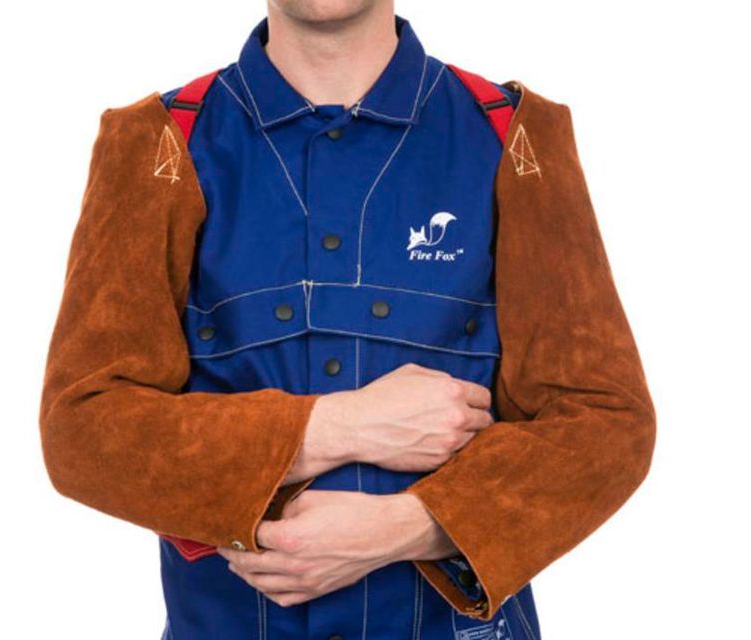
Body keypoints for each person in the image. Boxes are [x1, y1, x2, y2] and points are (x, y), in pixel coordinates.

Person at [38, 1, 656, 638]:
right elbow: (82, 428)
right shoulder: (160, 140)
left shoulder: (512, 133)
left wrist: (412, 527)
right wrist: (339, 427)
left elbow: (606, 422)